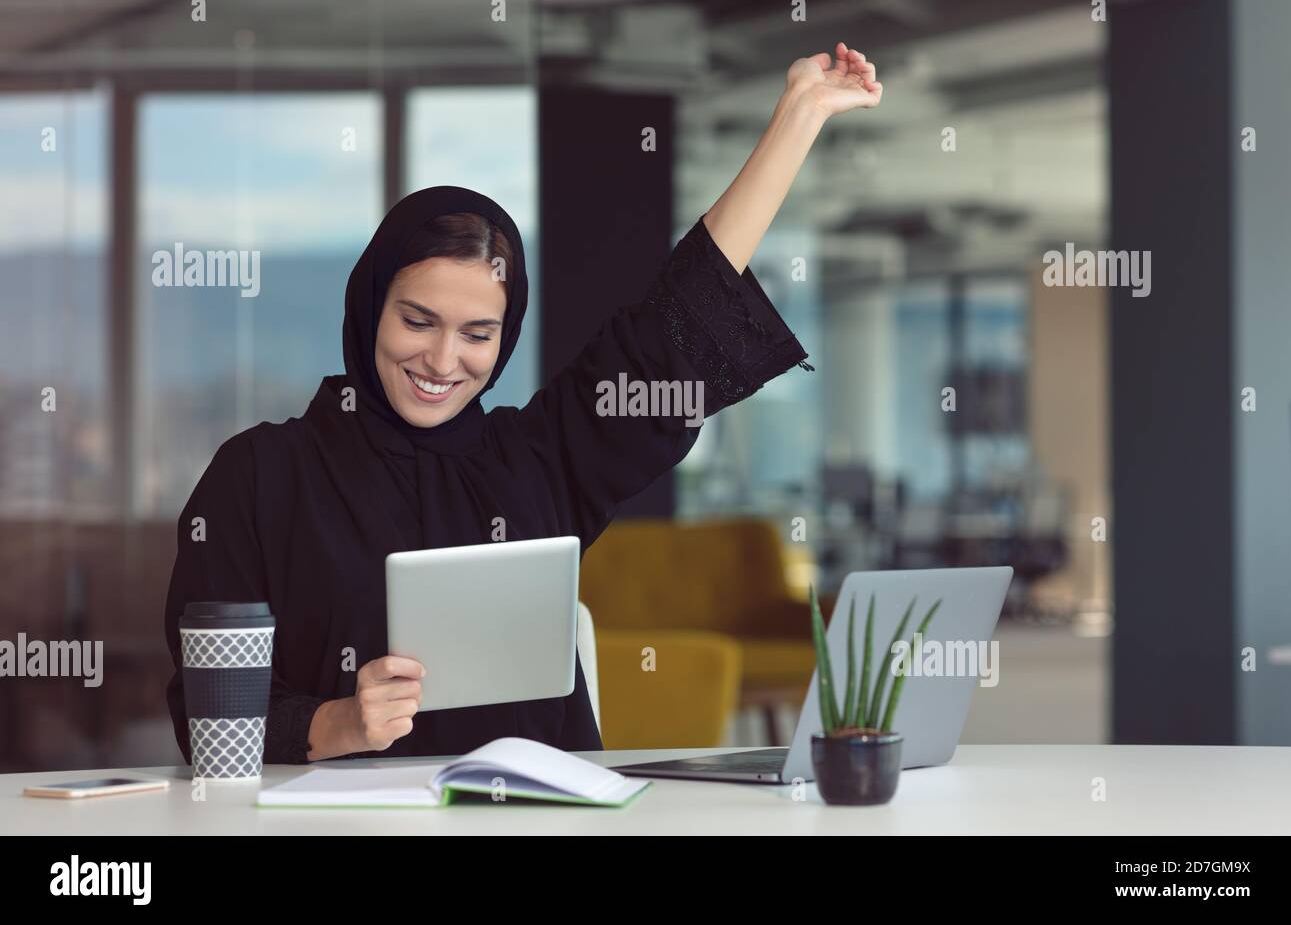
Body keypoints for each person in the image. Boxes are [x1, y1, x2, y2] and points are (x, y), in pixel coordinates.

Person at [163, 42, 883, 763]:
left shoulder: (536, 460)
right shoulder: (259, 476)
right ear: (367, 308)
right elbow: (208, 717)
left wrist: (801, 113)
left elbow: (681, 321)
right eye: (417, 321)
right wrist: (338, 723)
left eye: (478, 334)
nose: (443, 362)